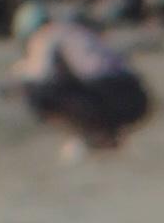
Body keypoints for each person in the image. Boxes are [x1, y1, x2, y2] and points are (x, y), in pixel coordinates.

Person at [11, 9, 149, 157]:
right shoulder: (79, 31)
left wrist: (17, 76)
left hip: (104, 90)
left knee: (37, 93)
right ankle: (107, 138)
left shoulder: (46, 35)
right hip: (137, 97)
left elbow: (41, 73)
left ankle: (87, 137)